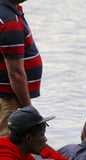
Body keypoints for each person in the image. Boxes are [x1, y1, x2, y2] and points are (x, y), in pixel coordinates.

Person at [0, 0, 43, 137]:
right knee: (7, 146)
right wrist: (28, 109)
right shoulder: (9, 22)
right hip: (8, 100)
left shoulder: (7, 13)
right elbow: (15, 73)